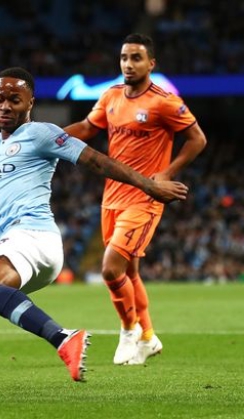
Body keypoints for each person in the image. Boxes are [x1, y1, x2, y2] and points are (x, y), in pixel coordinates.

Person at [0, 67, 189, 398]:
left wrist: (148, 185)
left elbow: (96, 161)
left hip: (34, 237)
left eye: (14, 100)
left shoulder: (42, 134)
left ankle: (63, 338)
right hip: (20, 247)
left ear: (30, 102)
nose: (5, 106)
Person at [63, 33, 207, 365]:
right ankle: (148, 337)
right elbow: (86, 128)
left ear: (151, 64)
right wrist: (46, 137)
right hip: (112, 197)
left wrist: (167, 173)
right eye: (124, 58)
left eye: (136, 58)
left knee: (111, 269)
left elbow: (197, 139)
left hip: (145, 198)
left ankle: (129, 330)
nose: (129, 64)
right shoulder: (111, 96)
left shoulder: (164, 102)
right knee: (130, 273)